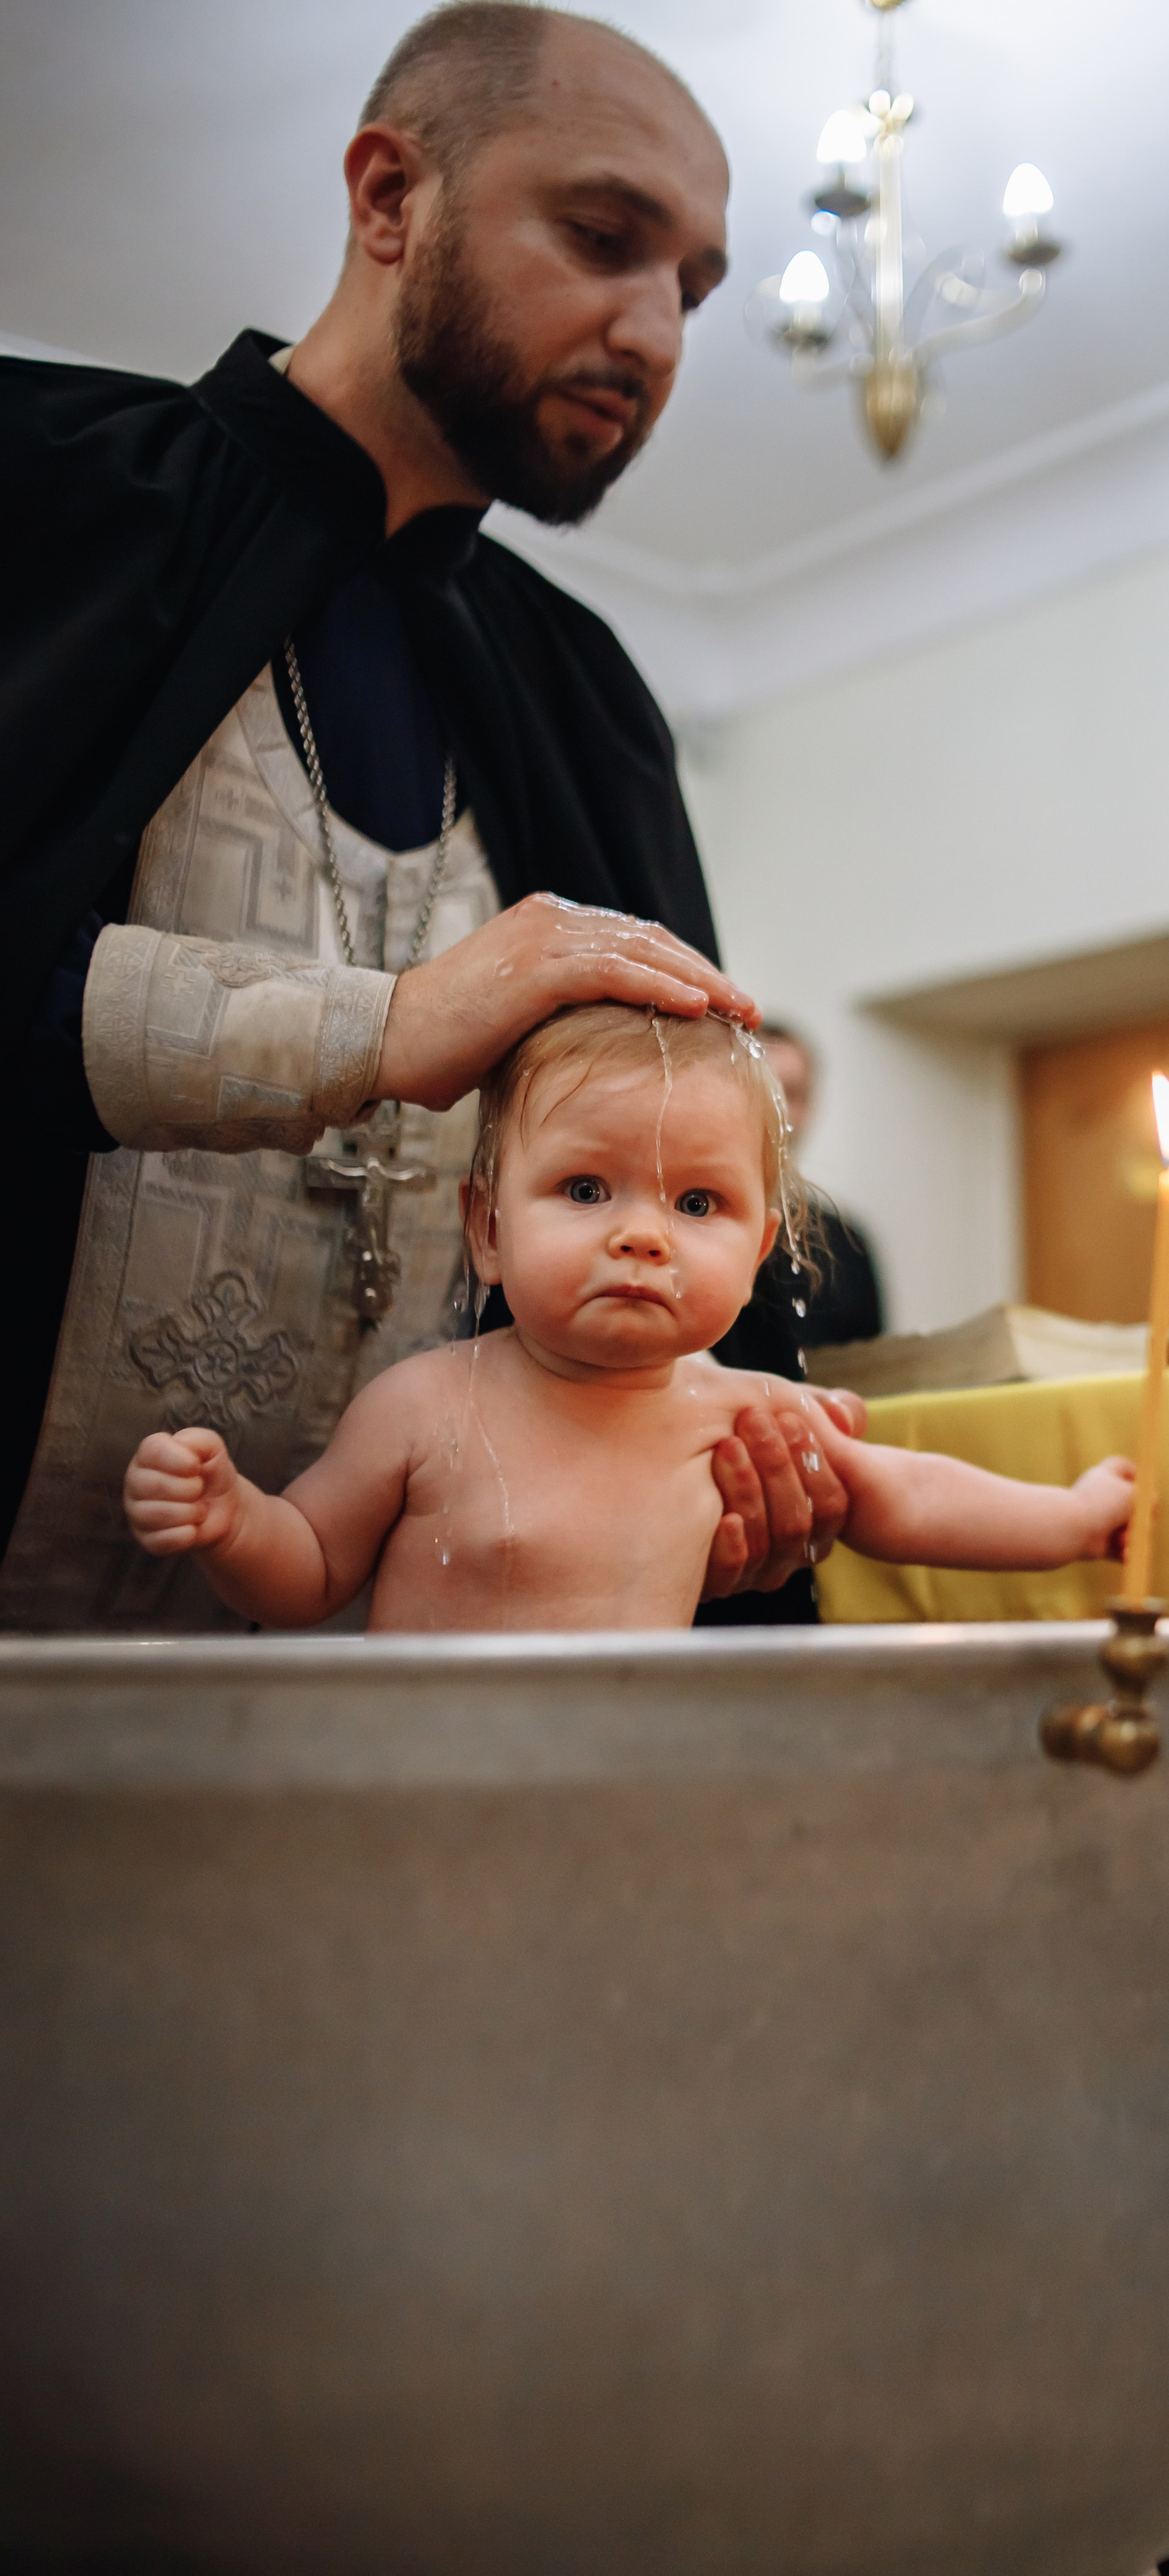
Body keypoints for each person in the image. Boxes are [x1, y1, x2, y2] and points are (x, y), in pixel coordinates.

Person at [1, 1, 843, 1629]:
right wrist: (377, 1031)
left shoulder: (580, 694)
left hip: (403, 1721)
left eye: (690, 289)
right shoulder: (44, 496)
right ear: (390, 197)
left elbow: (678, 1169)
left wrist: (725, 1495)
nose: (654, 332)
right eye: (602, 238)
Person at [121, 1006, 1135, 1627]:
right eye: (585, 1189)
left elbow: (908, 1493)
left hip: (620, 1791)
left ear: (759, 1253)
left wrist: (1075, 1519)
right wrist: (234, 1521)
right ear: (487, 1229)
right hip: (422, 1787)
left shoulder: (747, 1414)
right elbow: (310, 1570)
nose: (643, 1235)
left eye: (697, 1203)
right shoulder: (422, 1405)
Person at [750, 1020, 886, 1352]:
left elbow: (872, 1364)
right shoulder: (694, 1223)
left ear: (811, 1105)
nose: (780, 1111)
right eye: (765, 1090)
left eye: (792, 1094)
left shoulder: (847, 1240)